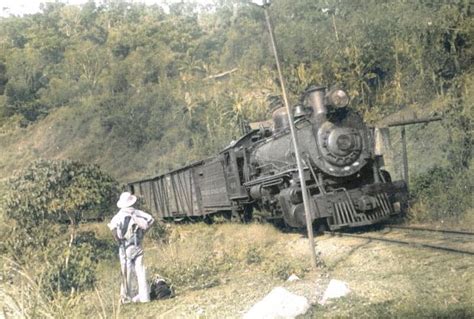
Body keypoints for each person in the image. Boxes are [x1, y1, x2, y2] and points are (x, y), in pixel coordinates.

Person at [108, 191, 155, 303]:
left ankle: (125, 298)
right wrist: (143, 233)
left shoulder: (118, 216)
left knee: (127, 273)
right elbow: (151, 220)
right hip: (138, 245)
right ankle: (145, 298)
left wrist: (118, 241)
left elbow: (113, 229)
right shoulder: (137, 212)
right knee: (141, 270)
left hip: (125, 247)